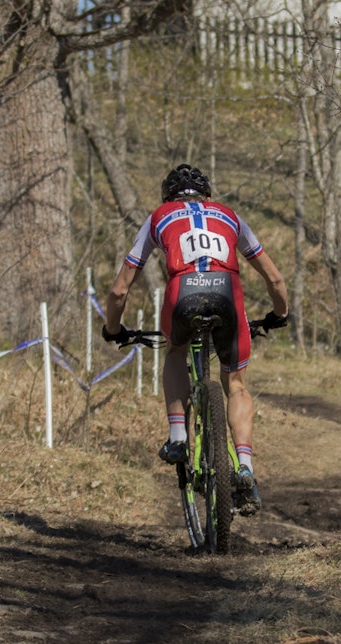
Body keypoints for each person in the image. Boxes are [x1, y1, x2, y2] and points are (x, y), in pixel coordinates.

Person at [102, 163, 289, 515]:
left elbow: (119, 290)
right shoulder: (230, 217)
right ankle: (245, 466)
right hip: (227, 295)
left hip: (182, 294)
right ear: (207, 195)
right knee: (236, 383)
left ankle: (177, 437)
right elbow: (275, 280)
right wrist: (280, 314)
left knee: (175, 352)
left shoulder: (160, 216)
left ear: (168, 196)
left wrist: (113, 328)